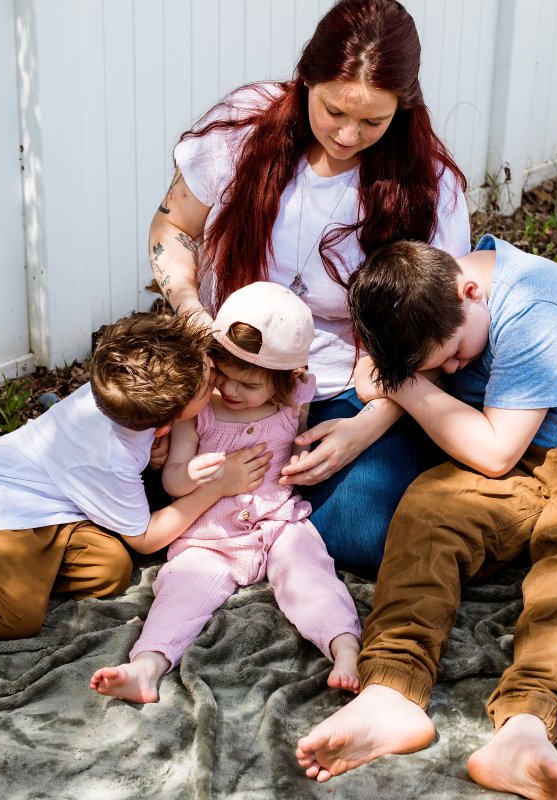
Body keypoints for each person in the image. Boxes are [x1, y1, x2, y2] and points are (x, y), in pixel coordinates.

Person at [296, 237, 557, 800]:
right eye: (441, 367)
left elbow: (493, 452)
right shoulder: (429, 298)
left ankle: (527, 725)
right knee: (429, 512)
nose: (455, 367)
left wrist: (403, 383)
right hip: (518, 455)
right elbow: (379, 376)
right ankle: (390, 692)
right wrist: (396, 374)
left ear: (470, 290)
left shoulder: (537, 309)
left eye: (454, 354)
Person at [148, 0, 471, 575]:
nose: (348, 135)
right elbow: (173, 226)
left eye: (374, 121)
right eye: (333, 110)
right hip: (225, 366)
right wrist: (193, 316)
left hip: (351, 386)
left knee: (360, 534)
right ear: (306, 80)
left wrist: (364, 428)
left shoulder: (428, 184)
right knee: (117, 472)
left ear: (406, 106)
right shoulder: (244, 126)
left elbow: (431, 331)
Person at [0, 313, 272, 640]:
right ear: (168, 418)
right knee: (12, 618)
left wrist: (152, 451)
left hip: (54, 508)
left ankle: (8, 575)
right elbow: (148, 535)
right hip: (2, 509)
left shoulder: (124, 391)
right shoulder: (109, 454)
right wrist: (219, 485)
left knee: (111, 570)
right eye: (207, 385)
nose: (215, 376)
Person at [91, 283, 362, 703]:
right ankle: (147, 665)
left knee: (311, 573)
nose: (231, 391)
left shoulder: (296, 396)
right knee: (181, 590)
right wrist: (192, 473)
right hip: (210, 535)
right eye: (224, 377)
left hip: (277, 523)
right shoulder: (200, 407)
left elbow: (296, 438)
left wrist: (299, 457)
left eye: (248, 385)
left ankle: (343, 647)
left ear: (289, 380)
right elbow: (172, 480)